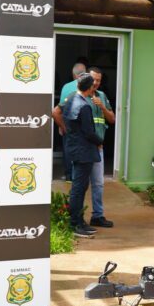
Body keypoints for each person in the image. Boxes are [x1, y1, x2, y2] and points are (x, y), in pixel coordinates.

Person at [52, 67, 115, 228]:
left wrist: (102, 107)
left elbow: (112, 119)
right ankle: (77, 220)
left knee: (97, 184)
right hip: (84, 149)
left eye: (99, 80)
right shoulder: (77, 98)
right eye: (94, 80)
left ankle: (97, 216)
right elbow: (56, 112)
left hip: (96, 148)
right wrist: (67, 130)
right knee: (79, 186)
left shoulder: (101, 96)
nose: (96, 83)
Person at [63, 73, 103, 237]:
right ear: (90, 87)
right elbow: (88, 132)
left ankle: (79, 221)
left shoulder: (71, 100)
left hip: (74, 149)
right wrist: (100, 141)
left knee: (79, 187)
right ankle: (76, 224)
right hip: (84, 152)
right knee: (79, 188)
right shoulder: (84, 106)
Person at [54, 62, 87, 180]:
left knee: (68, 149)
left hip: (69, 124)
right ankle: (82, 176)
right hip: (84, 124)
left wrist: (61, 126)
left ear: (73, 75)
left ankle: (69, 176)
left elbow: (60, 110)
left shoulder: (67, 87)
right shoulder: (89, 86)